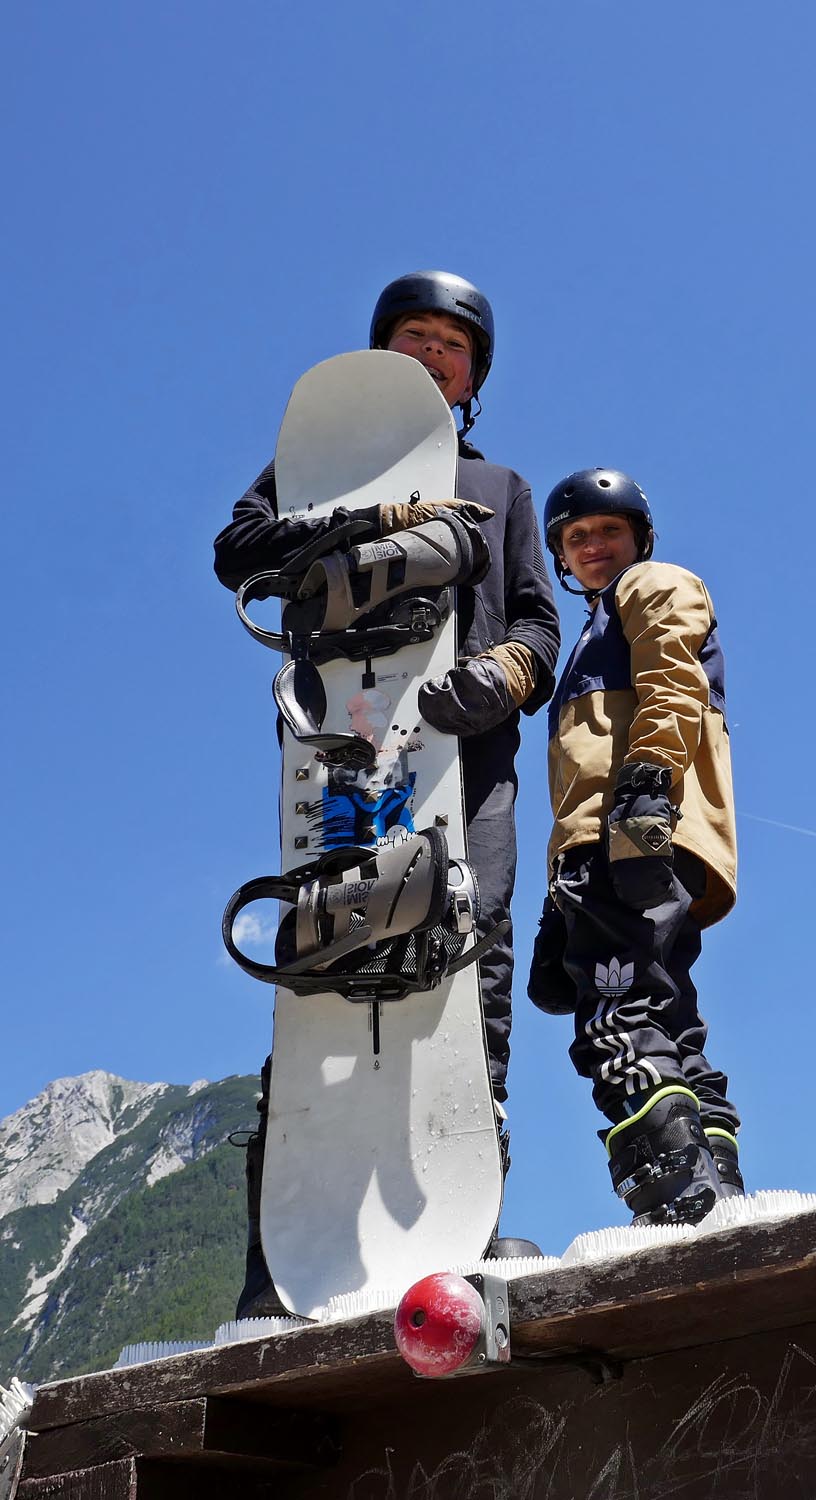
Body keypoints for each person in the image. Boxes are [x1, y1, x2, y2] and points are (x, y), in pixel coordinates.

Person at [213, 270, 561, 1313]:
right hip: (341, 758)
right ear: (382, 353)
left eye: (453, 347)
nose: (432, 354)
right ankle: (276, 1271)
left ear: (471, 378)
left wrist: (502, 674)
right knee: (325, 957)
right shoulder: (314, 467)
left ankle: (464, 1220)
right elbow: (235, 551)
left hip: (466, 763)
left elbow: (541, 622)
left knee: (469, 960)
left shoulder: (500, 488)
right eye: (414, 337)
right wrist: (357, 524)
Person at [526, 468, 742, 1225]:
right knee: (670, 1014)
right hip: (624, 836)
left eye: (607, 530)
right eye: (575, 536)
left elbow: (674, 678)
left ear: (639, 538)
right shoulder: (592, 630)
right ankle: (719, 1183)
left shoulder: (651, 585)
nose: (592, 545)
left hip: (634, 826)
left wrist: (647, 785)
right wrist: (561, 899)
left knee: (615, 1018)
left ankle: (674, 1195)